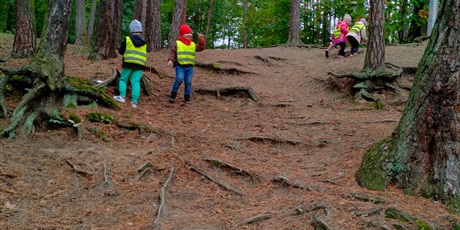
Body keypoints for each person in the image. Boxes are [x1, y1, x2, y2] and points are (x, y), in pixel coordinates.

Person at [113, 19, 147, 108]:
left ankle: (122, 97)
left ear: (131, 30)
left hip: (128, 64)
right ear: (140, 30)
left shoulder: (128, 39)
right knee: (135, 82)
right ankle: (134, 102)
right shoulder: (144, 42)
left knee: (123, 79)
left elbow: (121, 50)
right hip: (139, 65)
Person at [168, 24, 205, 104]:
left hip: (189, 67)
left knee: (188, 82)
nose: (189, 34)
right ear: (182, 34)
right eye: (186, 33)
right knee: (179, 79)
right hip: (180, 66)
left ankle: (187, 98)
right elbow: (172, 52)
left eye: (190, 33)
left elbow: (201, 48)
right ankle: (172, 95)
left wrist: (201, 39)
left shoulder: (192, 44)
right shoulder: (178, 43)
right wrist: (171, 60)